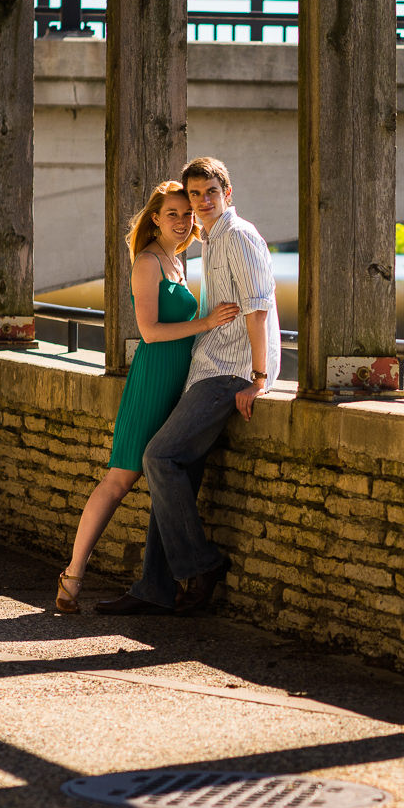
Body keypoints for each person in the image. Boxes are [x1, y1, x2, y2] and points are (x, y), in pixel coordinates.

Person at [96, 156, 282, 615]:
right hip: (207, 367)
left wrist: (259, 379)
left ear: (227, 194)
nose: (201, 203)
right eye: (194, 195)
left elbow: (258, 311)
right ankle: (154, 589)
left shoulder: (238, 237)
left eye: (209, 194)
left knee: (158, 456)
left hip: (229, 372)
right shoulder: (210, 242)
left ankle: (202, 565)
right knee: (176, 470)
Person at [55, 180, 239, 613]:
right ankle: (73, 575)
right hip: (152, 381)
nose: (182, 221)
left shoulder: (179, 261)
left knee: (162, 473)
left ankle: (156, 587)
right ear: (155, 219)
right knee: (119, 480)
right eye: (171, 214)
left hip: (181, 382)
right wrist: (208, 322)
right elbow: (150, 333)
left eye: (187, 213)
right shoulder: (148, 263)